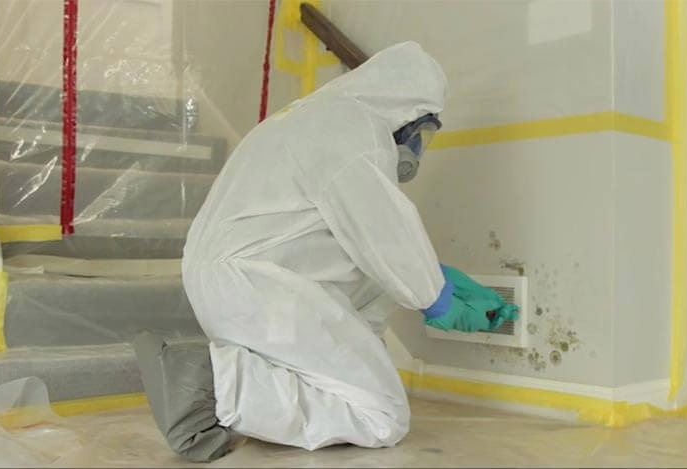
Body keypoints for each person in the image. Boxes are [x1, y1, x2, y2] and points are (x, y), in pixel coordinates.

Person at [133, 41, 518, 462]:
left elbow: (363, 249)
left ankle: (251, 384)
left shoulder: (305, 117)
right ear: (404, 113)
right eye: (422, 131)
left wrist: (434, 276)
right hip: (261, 289)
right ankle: (212, 385)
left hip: (230, 282)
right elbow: (381, 226)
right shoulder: (357, 129)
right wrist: (435, 296)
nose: (417, 148)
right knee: (381, 415)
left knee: (375, 290)